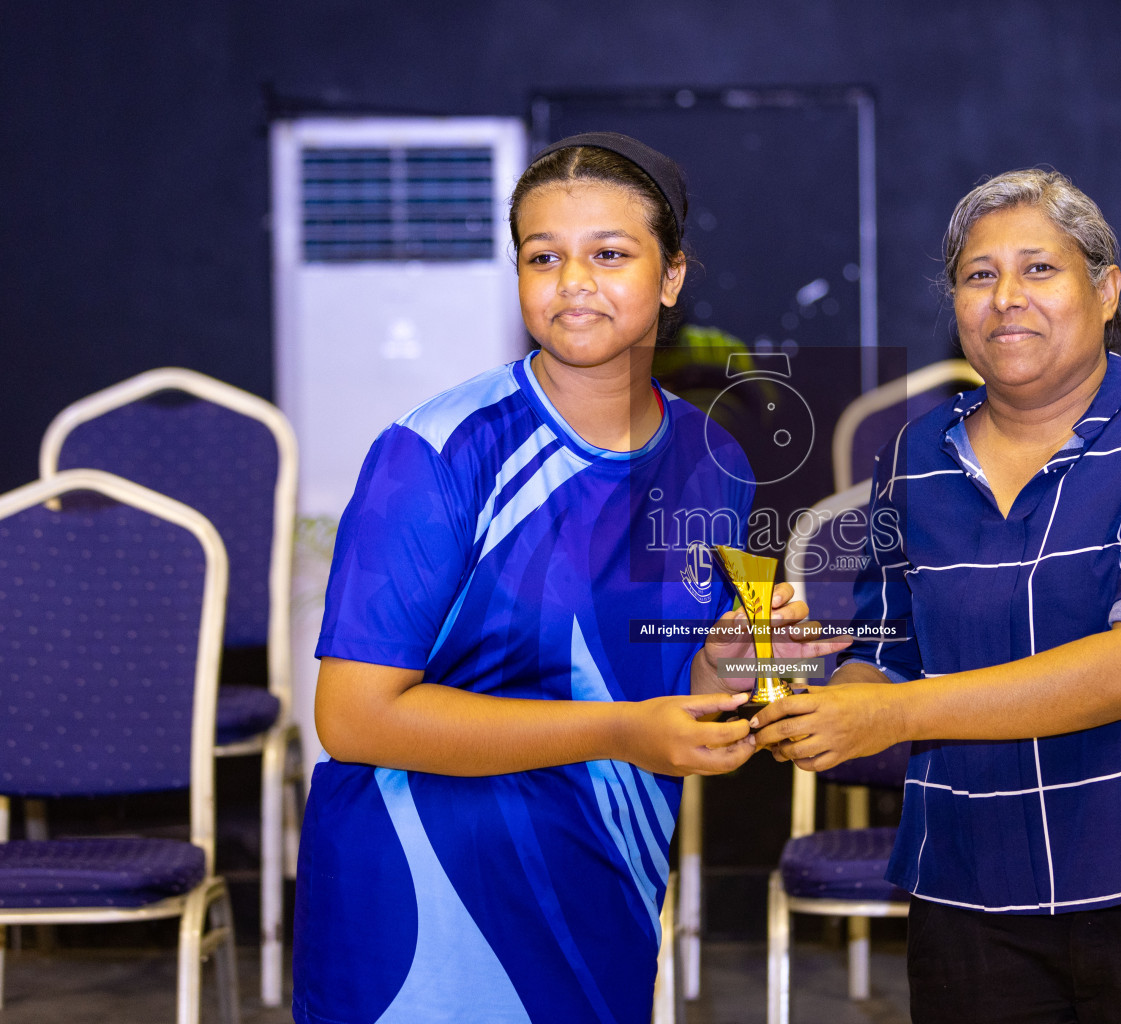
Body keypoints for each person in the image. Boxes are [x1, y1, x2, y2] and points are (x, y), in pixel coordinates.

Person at [292, 132, 845, 1024]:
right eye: (542, 256)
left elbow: (667, 685)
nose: (572, 280)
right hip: (424, 895)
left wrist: (739, 662)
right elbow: (354, 718)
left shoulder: (718, 461)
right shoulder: (435, 451)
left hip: (604, 874)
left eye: (609, 254)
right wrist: (626, 731)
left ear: (671, 278)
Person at [754, 169, 1121, 1023]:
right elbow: (885, 661)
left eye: (1039, 269)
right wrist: (808, 702)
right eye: (978, 275)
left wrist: (892, 716)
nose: (1005, 298)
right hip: (966, 896)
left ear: (1105, 291)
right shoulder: (913, 455)